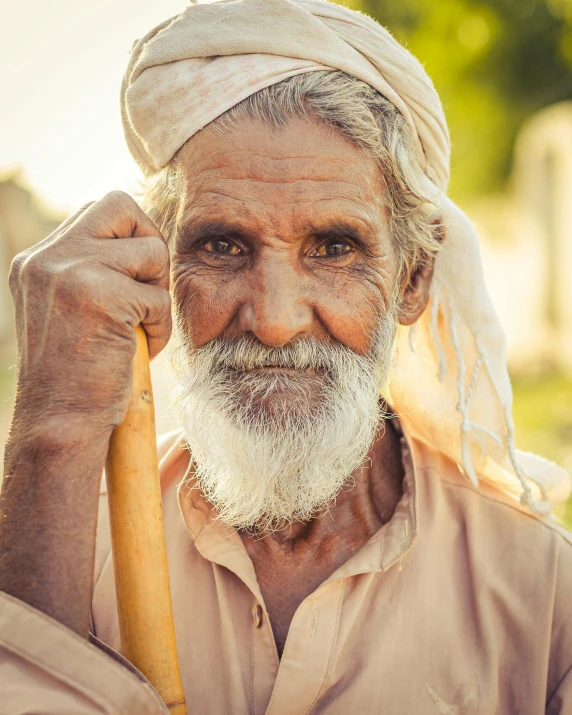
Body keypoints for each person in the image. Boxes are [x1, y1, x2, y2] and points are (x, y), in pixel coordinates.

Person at [0, 0, 571, 713]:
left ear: (413, 277)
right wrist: (51, 430)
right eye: (221, 246)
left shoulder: (540, 592)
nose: (273, 321)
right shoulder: (61, 537)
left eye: (334, 248)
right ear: (161, 269)